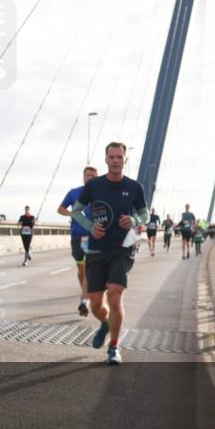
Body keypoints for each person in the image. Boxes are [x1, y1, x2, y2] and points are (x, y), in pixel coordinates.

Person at [71, 143, 148, 365]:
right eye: (112, 157)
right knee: (96, 304)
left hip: (122, 249)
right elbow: (76, 211)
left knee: (115, 295)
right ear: (106, 160)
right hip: (96, 249)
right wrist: (89, 226)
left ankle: (114, 347)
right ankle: (105, 323)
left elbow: (144, 215)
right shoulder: (94, 185)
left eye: (119, 157)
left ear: (125, 160)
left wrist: (134, 220)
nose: (116, 160)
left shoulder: (134, 187)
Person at [58, 166, 97, 316]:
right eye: (88, 175)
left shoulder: (100, 194)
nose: (90, 178)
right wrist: (72, 214)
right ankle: (86, 294)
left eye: (93, 176)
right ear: (83, 177)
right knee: (81, 270)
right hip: (76, 236)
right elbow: (60, 209)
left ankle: (84, 301)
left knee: (87, 269)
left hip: (91, 237)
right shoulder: (73, 193)